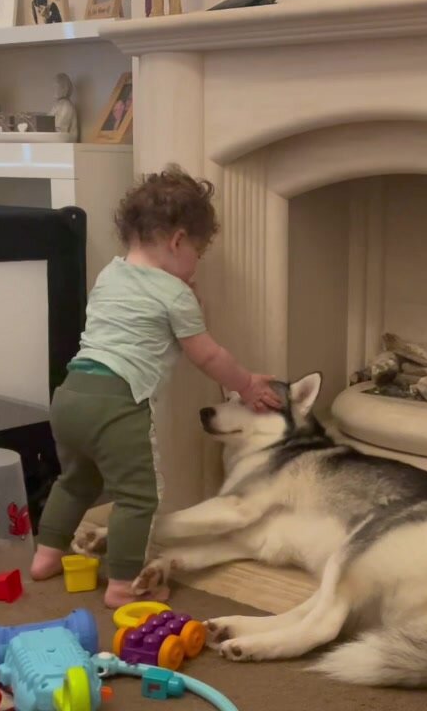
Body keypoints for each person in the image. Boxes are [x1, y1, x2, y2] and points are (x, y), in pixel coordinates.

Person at [31, 165, 282, 608]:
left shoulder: (110, 274)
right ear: (178, 242)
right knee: (137, 495)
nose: (194, 265)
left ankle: (46, 556)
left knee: (75, 480)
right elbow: (206, 354)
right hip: (117, 402)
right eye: (198, 254)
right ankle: (124, 584)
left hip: (70, 394)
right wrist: (245, 385)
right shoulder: (175, 294)